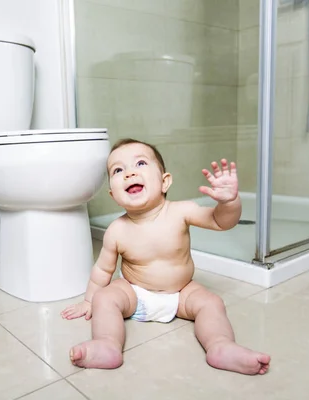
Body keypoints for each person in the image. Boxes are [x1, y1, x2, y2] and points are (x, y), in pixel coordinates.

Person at [60, 138, 270, 375]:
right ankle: (108, 344)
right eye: (118, 170)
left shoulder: (182, 211)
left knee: (211, 303)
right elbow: (103, 271)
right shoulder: (116, 230)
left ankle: (220, 346)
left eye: (140, 163)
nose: (129, 173)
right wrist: (90, 300)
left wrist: (229, 202)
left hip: (181, 292)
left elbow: (220, 221)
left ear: (164, 181)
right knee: (105, 299)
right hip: (134, 293)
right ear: (113, 195)